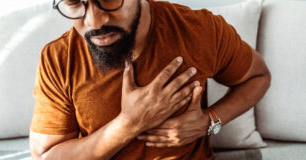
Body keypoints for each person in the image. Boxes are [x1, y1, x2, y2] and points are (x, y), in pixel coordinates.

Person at [29, 0, 271, 159]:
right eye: (73, 2)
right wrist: (130, 123)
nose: (94, 22)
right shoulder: (58, 58)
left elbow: (258, 77)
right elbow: (47, 157)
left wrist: (209, 122)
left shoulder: (201, 30)